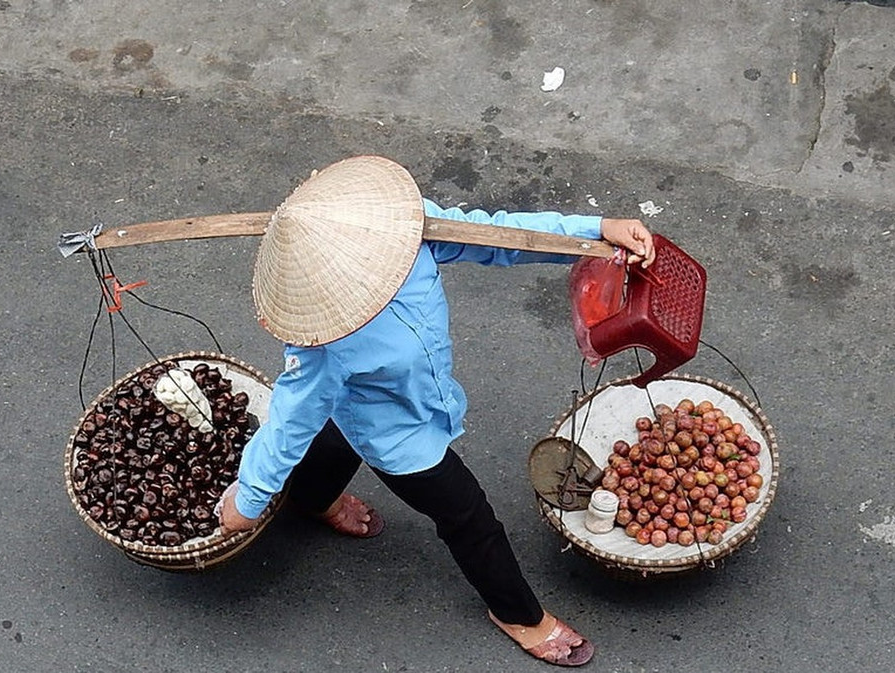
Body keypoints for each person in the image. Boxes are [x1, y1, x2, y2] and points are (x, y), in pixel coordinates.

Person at [217, 156, 655, 667]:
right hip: (397, 435)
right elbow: (290, 419)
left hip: (412, 397)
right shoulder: (322, 343)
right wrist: (249, 497)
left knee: (334, 431)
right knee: (467, 515)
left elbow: (498, 236)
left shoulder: (403, 230)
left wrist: (595, 231)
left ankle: (313, 500)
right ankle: (518, 614)